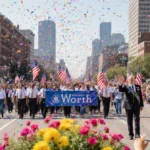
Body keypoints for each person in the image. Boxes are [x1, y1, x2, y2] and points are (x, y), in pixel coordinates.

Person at [118, 74, 144, 140]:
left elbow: (140, 96)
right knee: (129, 121)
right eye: (130, 79)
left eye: (132, 79)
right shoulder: (126, 86)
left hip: (136, 106)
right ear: (128, 80)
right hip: (128, 106)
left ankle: (137, 134)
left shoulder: (138, 87)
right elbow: (120, 89)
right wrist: (120, 83)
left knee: (137, 119)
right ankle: (131, 134)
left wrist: (141, 105)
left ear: (134, 80)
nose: (131, 80)